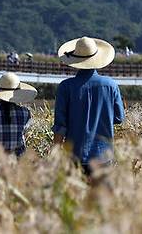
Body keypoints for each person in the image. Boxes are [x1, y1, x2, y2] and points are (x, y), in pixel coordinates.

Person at [52, 36, 125, 176]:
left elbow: (60, 126)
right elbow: (119, 117)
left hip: (74, 155)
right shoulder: (111, 85)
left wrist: (55, 152)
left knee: (75, 197)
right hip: (103, 155)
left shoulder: (65, 87)